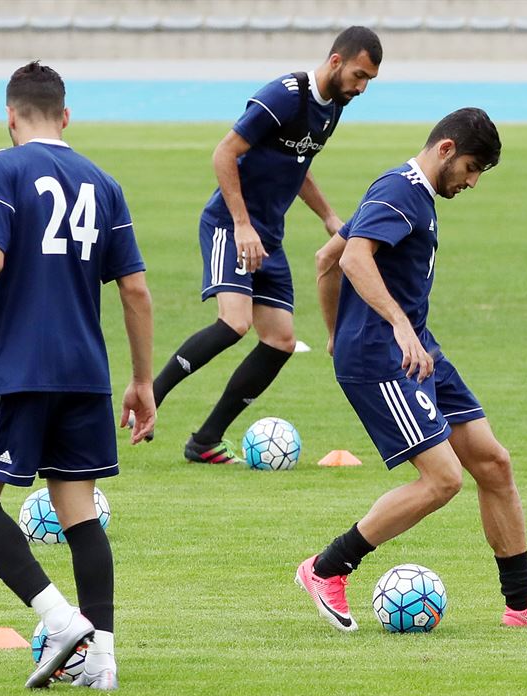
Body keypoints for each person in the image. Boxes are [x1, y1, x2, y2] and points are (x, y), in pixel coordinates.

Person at [0, 61, 156, 690]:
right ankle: (104, 660)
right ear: (66, 116)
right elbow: (135, 289)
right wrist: (141, 380)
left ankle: (58, 619)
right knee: (79, 511)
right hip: (87, 374)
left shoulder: (1, 168)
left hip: (19, 370)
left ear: (9, 116)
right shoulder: (103, 182)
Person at [296, 107, 527, 630]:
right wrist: (386, 329)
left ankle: (523, 605)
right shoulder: (402, 191)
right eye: (473, 168)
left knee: (493, 463)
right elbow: (351, 259)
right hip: (383, 356)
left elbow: (326, 257)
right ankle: (326, 569)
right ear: (446, 149)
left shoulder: (408, 192)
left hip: (415, 351)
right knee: (442, 479)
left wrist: (331, 334)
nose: (473, 182)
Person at [146, 26, 382, 464]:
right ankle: (149, 394)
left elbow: (298, 165)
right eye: (359, 74)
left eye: (369, 79)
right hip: (229, 226)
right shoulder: (284, 96)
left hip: (268, 237)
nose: (362, 87)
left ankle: (204, 441)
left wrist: (328, 216)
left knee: (280, 340)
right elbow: (224, 153)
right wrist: (241, 225)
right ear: (336, 61)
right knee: (234, 323)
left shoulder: (332, 109)